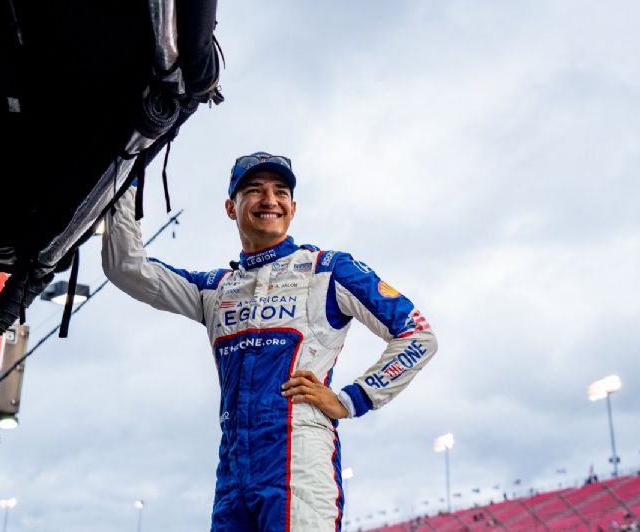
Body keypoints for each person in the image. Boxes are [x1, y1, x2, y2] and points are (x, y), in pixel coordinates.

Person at [101, 151, 438, 531]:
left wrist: (350, 399)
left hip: (299, 461)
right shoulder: (214, 289)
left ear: (293, 208)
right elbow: (126, 267)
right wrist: (126, 178)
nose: (269, 200)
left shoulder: (326, 269)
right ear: (231, 207)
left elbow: (417, 335)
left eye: (280, 191)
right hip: (232, 469)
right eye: (255, 190)